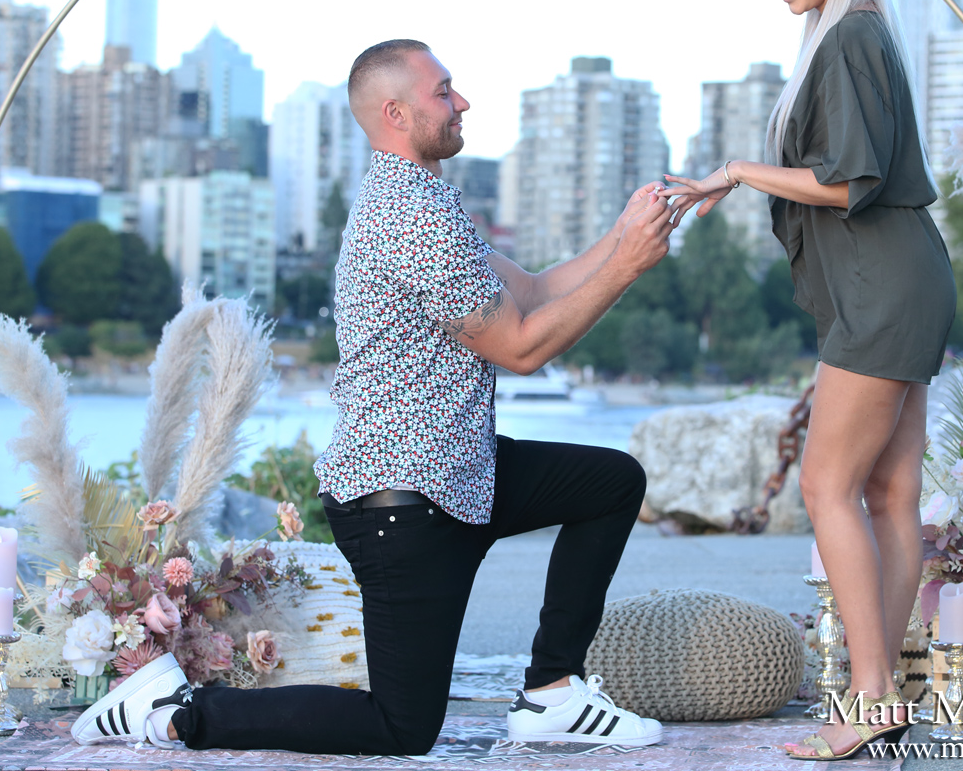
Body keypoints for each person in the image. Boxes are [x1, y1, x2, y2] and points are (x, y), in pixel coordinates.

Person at [73, 39, 677, 756]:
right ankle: (176, 710)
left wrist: (625, 233)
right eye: (444, 91)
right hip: (402, 504)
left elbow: (539, 291)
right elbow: (521, 347)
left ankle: (552, 694)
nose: (462, 102)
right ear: (395, 112)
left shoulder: (426, 200)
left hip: (460, 476)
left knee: (609, 483)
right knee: (401, 725)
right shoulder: (408, 215)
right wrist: (629, 267)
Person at [665, 0, 955, 761]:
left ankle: (870, 700)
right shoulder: (856, 34)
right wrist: (731, 175)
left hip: (881, 287)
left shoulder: (851, 38)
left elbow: (847, 180)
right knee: (889, 494)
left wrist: (743, 170)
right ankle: (884, 692)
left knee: (826, 487)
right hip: (900, 278)